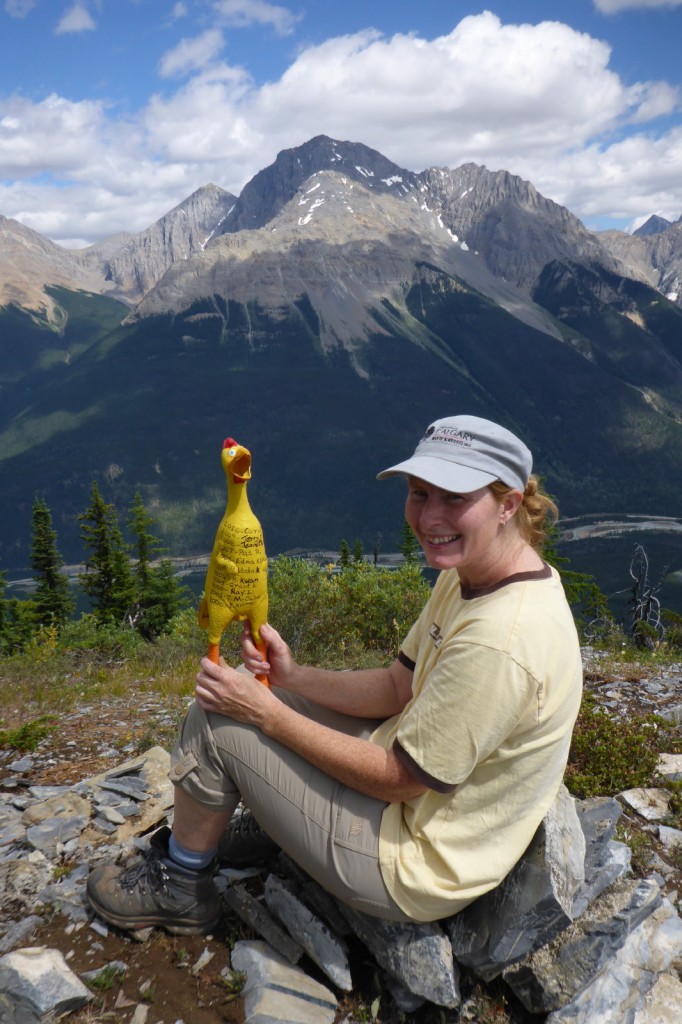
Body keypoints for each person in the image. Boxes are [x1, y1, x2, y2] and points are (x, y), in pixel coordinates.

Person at [86, 415, 583, 933]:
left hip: (412, 866)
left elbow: (399, 780)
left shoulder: (501, 640)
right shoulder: (475, 572)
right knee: (251, 692)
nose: (430, 516)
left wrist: (267, 714)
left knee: (219, 720)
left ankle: (181, 885)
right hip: (425, 810)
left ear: (508, 505)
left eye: (455, 498)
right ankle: (272, 813)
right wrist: (293, 677)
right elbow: (397, 686)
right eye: (419, 493)